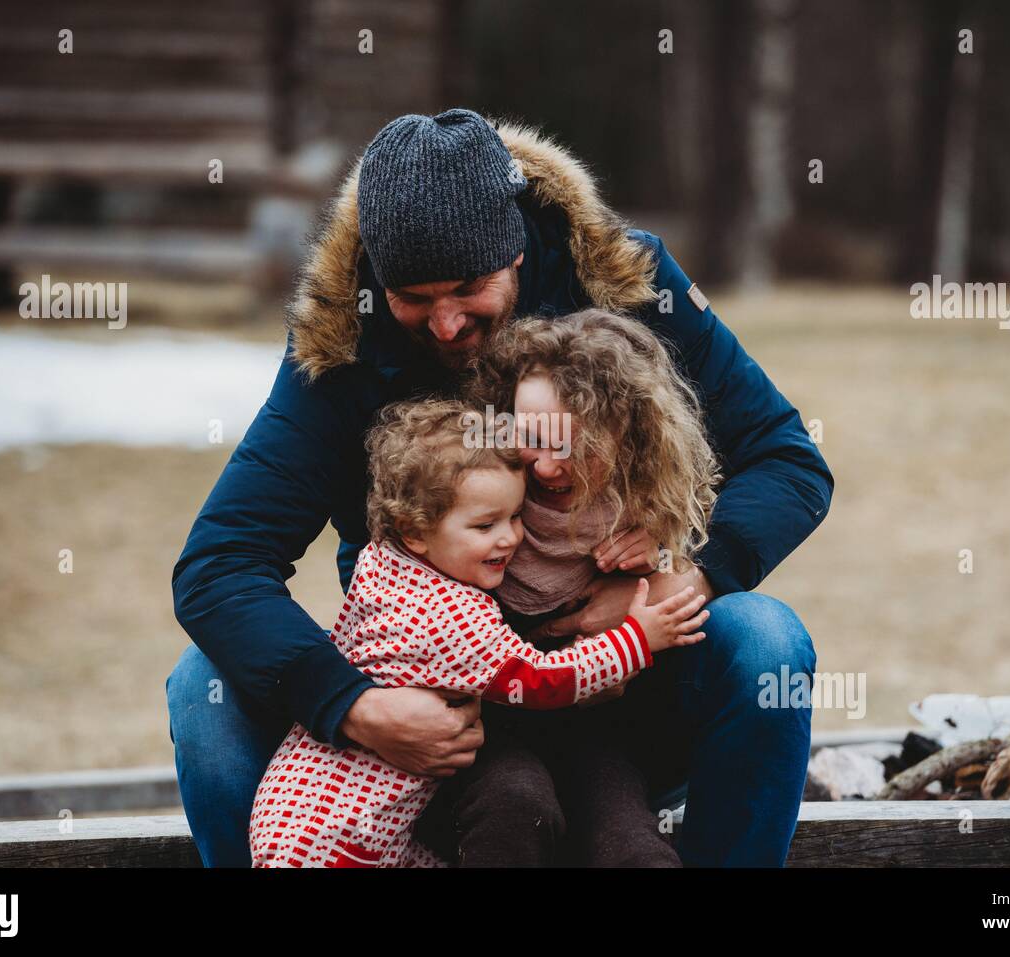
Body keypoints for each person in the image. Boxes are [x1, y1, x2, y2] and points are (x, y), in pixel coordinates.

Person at [167, 107, 833, 867]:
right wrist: (353, 704)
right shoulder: (342, 340)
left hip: (622, 695)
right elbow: (218, 566)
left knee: (766, 642)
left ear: (514, 248)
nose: (445, 324)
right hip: (439, 722)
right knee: (203, 691)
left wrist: (687, 578)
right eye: (412, 297)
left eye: (466, 288)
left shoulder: (622, 283)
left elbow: (788, 459)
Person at [249, 399, 707, 867]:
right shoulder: (450, 617)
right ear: (415, 531)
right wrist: (636, 639)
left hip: (308, 816)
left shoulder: (385, 564)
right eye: (485, 524)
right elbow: (540, 679)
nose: (510, 538)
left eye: (514, 516)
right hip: (341, 837)